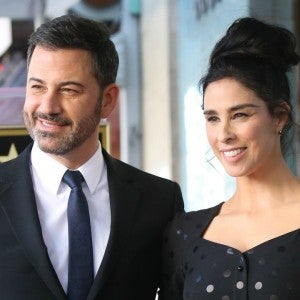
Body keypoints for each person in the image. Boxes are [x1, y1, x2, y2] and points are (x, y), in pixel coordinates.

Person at [0, 14, 184, 300]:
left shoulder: (159, 201)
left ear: (108, 100)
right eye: (37, 86)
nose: (47, 106)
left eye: (69, 90)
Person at [160, 17, 300, 300]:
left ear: (279, 117)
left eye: (240, 115)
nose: (223, 134)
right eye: (212, 118)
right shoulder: (184, 234)